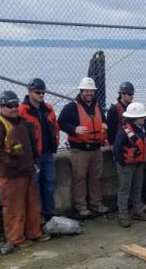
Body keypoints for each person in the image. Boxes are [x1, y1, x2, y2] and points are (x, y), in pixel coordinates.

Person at [0, 91, 50, 250]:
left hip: (27, 170)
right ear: (2, 107)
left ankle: (33, 232)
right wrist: (13, 163)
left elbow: (31, 144)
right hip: (11, 174)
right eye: (10, 106)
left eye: (16, 105)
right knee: (14, 207)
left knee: (32, 204)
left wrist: (33, 161)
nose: (14, 108)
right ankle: (16, 238)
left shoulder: (21, 122)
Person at [58, 77, 109, 217]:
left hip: (96, 149)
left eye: (91, 91)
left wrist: (105, 125)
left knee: (96, 177)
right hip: (79, 150)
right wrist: (74, 129)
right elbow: (61, 122)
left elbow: (103, 120)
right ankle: (81, 206)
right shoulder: (71, 107)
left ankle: (96, 203)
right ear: (81, 91)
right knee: (79, 179)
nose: (89, 93)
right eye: (86, 90)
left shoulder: (97, 106)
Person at [19, 78, 60, 222]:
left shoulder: (48, 108)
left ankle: (49, 213)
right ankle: (37, 217)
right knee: (35, 187)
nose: (41, 95)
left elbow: (55, 127)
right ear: (29, 92)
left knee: (49, 184)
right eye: (38, 92)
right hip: (33, 157)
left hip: (47, 153)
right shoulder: (23, 111)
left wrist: (55, 143)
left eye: (43, 92)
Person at [113, 102, 146, 227]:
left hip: (139, 163)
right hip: (126, 165)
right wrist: (123, 163)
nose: (144, 119)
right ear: (134, 118)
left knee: (137, 188)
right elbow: (117, 148)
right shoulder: (124, 131)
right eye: (142, 117)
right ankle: (123, 215)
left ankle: (137, 211)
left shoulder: (141, 129)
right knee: (124, 190)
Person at [107, 81, 135, 146]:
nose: (132, 96)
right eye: (129, 94)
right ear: (122, 94)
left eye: (132, 94)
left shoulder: (132, 107)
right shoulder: (114, 109)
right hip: (118, 143)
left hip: (130, 142)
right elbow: (110, 130)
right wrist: (113, 145)